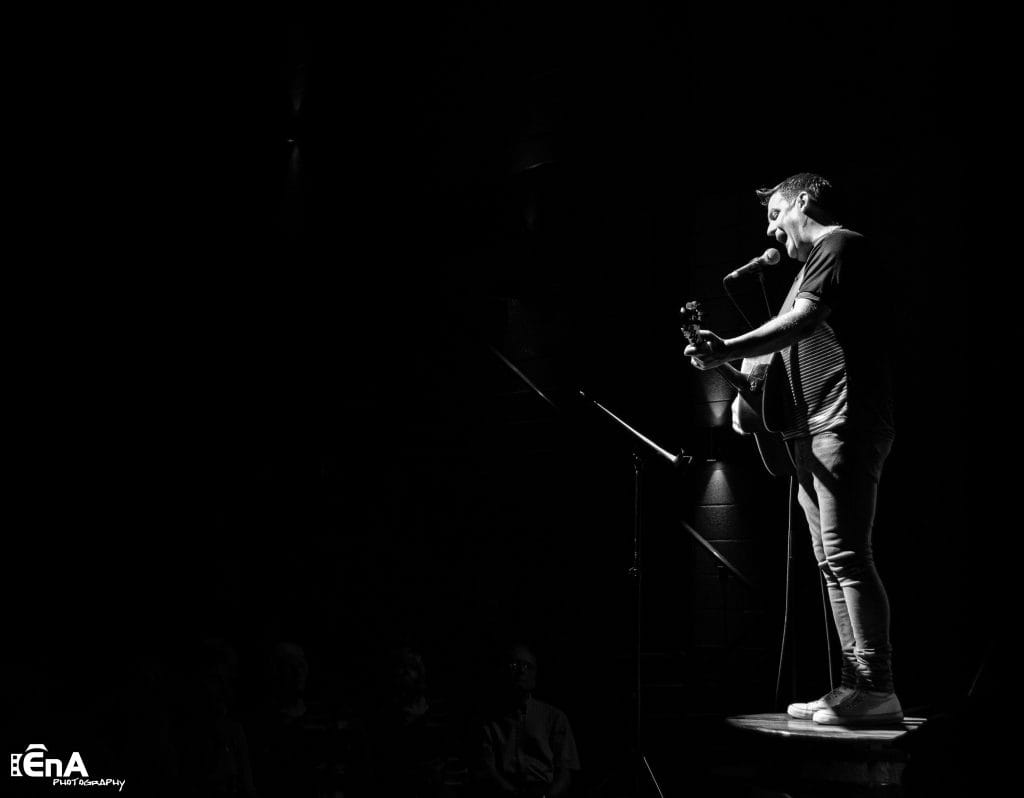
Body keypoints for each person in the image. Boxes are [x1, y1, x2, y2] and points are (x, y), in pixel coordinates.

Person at [683, 172, 901, 725]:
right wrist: (731, 370)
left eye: (776, 213)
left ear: (803, 202)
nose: (771, 227)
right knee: (830, 562)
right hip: (811, 431)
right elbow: (770, 373)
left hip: (844, 421)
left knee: (848, 556)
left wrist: (727, 346)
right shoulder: (807, 268)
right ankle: (853, 685)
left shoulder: (837, 244)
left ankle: (877, 685)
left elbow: (802, 322)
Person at [477, 643, 580, 797]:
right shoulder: (489, 720)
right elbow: (487, 768)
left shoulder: (555, 717)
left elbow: (565, 772)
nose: (521, 671)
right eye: (514, 664)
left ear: (536, 675)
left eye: (527, 666)